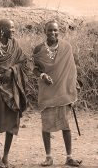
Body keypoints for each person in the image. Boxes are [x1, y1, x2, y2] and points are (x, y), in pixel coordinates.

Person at [33, 20, 82, 167]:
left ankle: (69, 157)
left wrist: (72, 89)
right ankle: (48, 157)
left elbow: (72, 70)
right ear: (45, 31)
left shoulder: (66, 47)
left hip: (63, 91)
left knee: (66, 126)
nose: (53, 33)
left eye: (55, 30)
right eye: (50, 30)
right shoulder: (38, 49)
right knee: (46, 126)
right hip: (47, 91)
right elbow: (35, 69)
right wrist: (42, 76)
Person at [0, 19, 29, 168]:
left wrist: (11, 70)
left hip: (12, 85)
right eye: (11, 28)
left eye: (14, 28)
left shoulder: (14, 44)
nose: (13, 31)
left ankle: (6, 156)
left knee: (12, 120)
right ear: (2, 29)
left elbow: (22, 60)